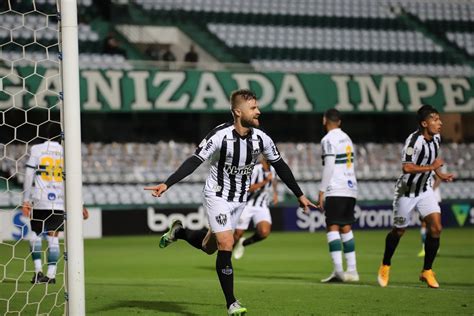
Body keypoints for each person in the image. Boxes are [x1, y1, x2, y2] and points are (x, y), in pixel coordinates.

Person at [145, 89, 316, 315]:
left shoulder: (261, 138)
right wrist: (167, 183)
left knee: (209, 247)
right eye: (253, 108)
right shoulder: (219, 135)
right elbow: (194, 160)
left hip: (239, 200)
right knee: (226, 244)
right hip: (217, 195)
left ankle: (179, 232)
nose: (258, 111)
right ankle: (232, 303)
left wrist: (299, 194)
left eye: (257, 107)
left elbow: (280, 165)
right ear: (238, 111)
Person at [377, 105, 454, 288]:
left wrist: (440, 174)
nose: (440, 123)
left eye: (439, 119)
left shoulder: (436, 138)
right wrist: (432, 167)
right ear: (424, 123)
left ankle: (427, 270)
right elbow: (407, 167)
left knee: (436, 228)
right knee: (399, 231)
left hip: (425, 190)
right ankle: (385, 265)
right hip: (406, 192)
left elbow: (431, 161)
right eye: (435, 120)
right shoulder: (413, 141)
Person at [22, 122, 89, 284]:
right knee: (54, 237)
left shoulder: (37, 149)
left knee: (35, 234)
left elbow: (29, 174)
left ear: (44, 134)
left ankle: (38, 271)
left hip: (40, 199)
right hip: (59, 201)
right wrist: (80, 204)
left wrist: (25, 199)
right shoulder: (66, 152)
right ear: (61, 136)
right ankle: (51, 275)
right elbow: (73, 180)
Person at [317, 109, 359, 283]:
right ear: (339, 122)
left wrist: (322, 190)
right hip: (351, 187)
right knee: (346, 227)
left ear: (324, 120)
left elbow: (330, 165)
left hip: (337, 187)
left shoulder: (328, 139)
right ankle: (352, 271)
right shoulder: (346, 137)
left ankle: (338, 271)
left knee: (332, 226)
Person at [232, 157, 278, 260]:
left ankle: (243, 243)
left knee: (264, 232)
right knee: (237, 234)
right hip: (247, 205)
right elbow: (247, 188)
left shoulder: (273, 169)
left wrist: (275, 193)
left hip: (262, 205)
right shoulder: (255, 168)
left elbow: (274, 181)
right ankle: (226, 258)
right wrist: (265, 182)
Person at [418, 173, 442, 257]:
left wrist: (431, 190)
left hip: (434, 198)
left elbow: (438, 179)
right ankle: (425, 248)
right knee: (424, 224)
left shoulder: (431, 165)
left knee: (434, 226)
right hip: (423, 199)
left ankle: (434, 248)